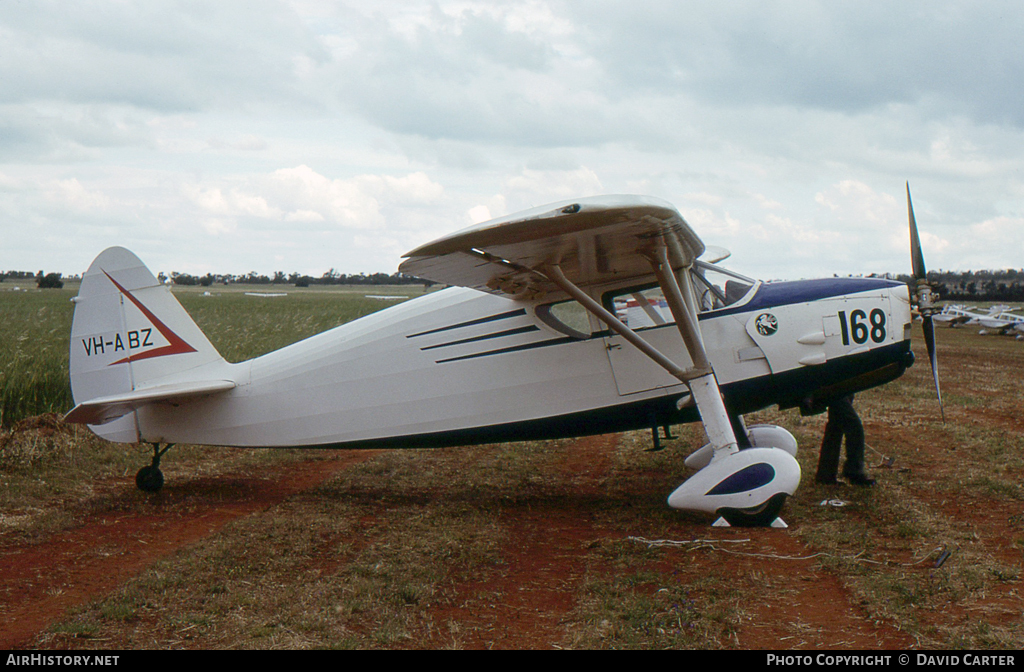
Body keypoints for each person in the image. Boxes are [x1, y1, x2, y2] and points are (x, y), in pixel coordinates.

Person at [815, 394, 875, 486]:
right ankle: (854, 471)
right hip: (834, 388)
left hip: (841, 389)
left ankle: (826, 475)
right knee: (854, 425)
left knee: (836, 424)